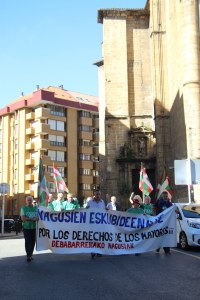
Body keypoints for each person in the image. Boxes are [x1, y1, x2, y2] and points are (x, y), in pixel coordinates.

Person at [86, 190, 106, 258]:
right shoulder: (90, 202)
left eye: (99, 194)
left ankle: (99, 251)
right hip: (92, 224)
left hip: (100, 224)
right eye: (96, 194)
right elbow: (86, 211)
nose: (97, 196)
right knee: (93, 237)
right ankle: (93, 251)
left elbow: (104, 210)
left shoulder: (102, 202)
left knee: (100, 238)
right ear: (93, 195)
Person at [20, 195, 38, 262]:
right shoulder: (23, 208)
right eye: (28, 200)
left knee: (33, 242)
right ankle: (28, 255)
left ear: (32, 201)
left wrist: (34, 219)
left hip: (33, 228)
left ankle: (31, 254)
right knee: (28, 241)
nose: (29, 201)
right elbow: (23, 218)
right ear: (26, 201)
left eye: (30, 200)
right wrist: (32, 219)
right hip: (26, 227)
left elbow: (38, 218)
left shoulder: (36, 208)